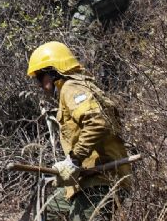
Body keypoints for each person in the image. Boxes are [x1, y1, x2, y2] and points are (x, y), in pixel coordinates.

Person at [26, 41, 132, 220]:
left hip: (101, 179)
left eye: (39, 77)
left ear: (52, 72)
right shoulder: (76, 88)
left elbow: (98, 121)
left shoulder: (71, 87)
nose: (39, 85)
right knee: (47, 211)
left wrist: (74, 159)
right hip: (84, 180)